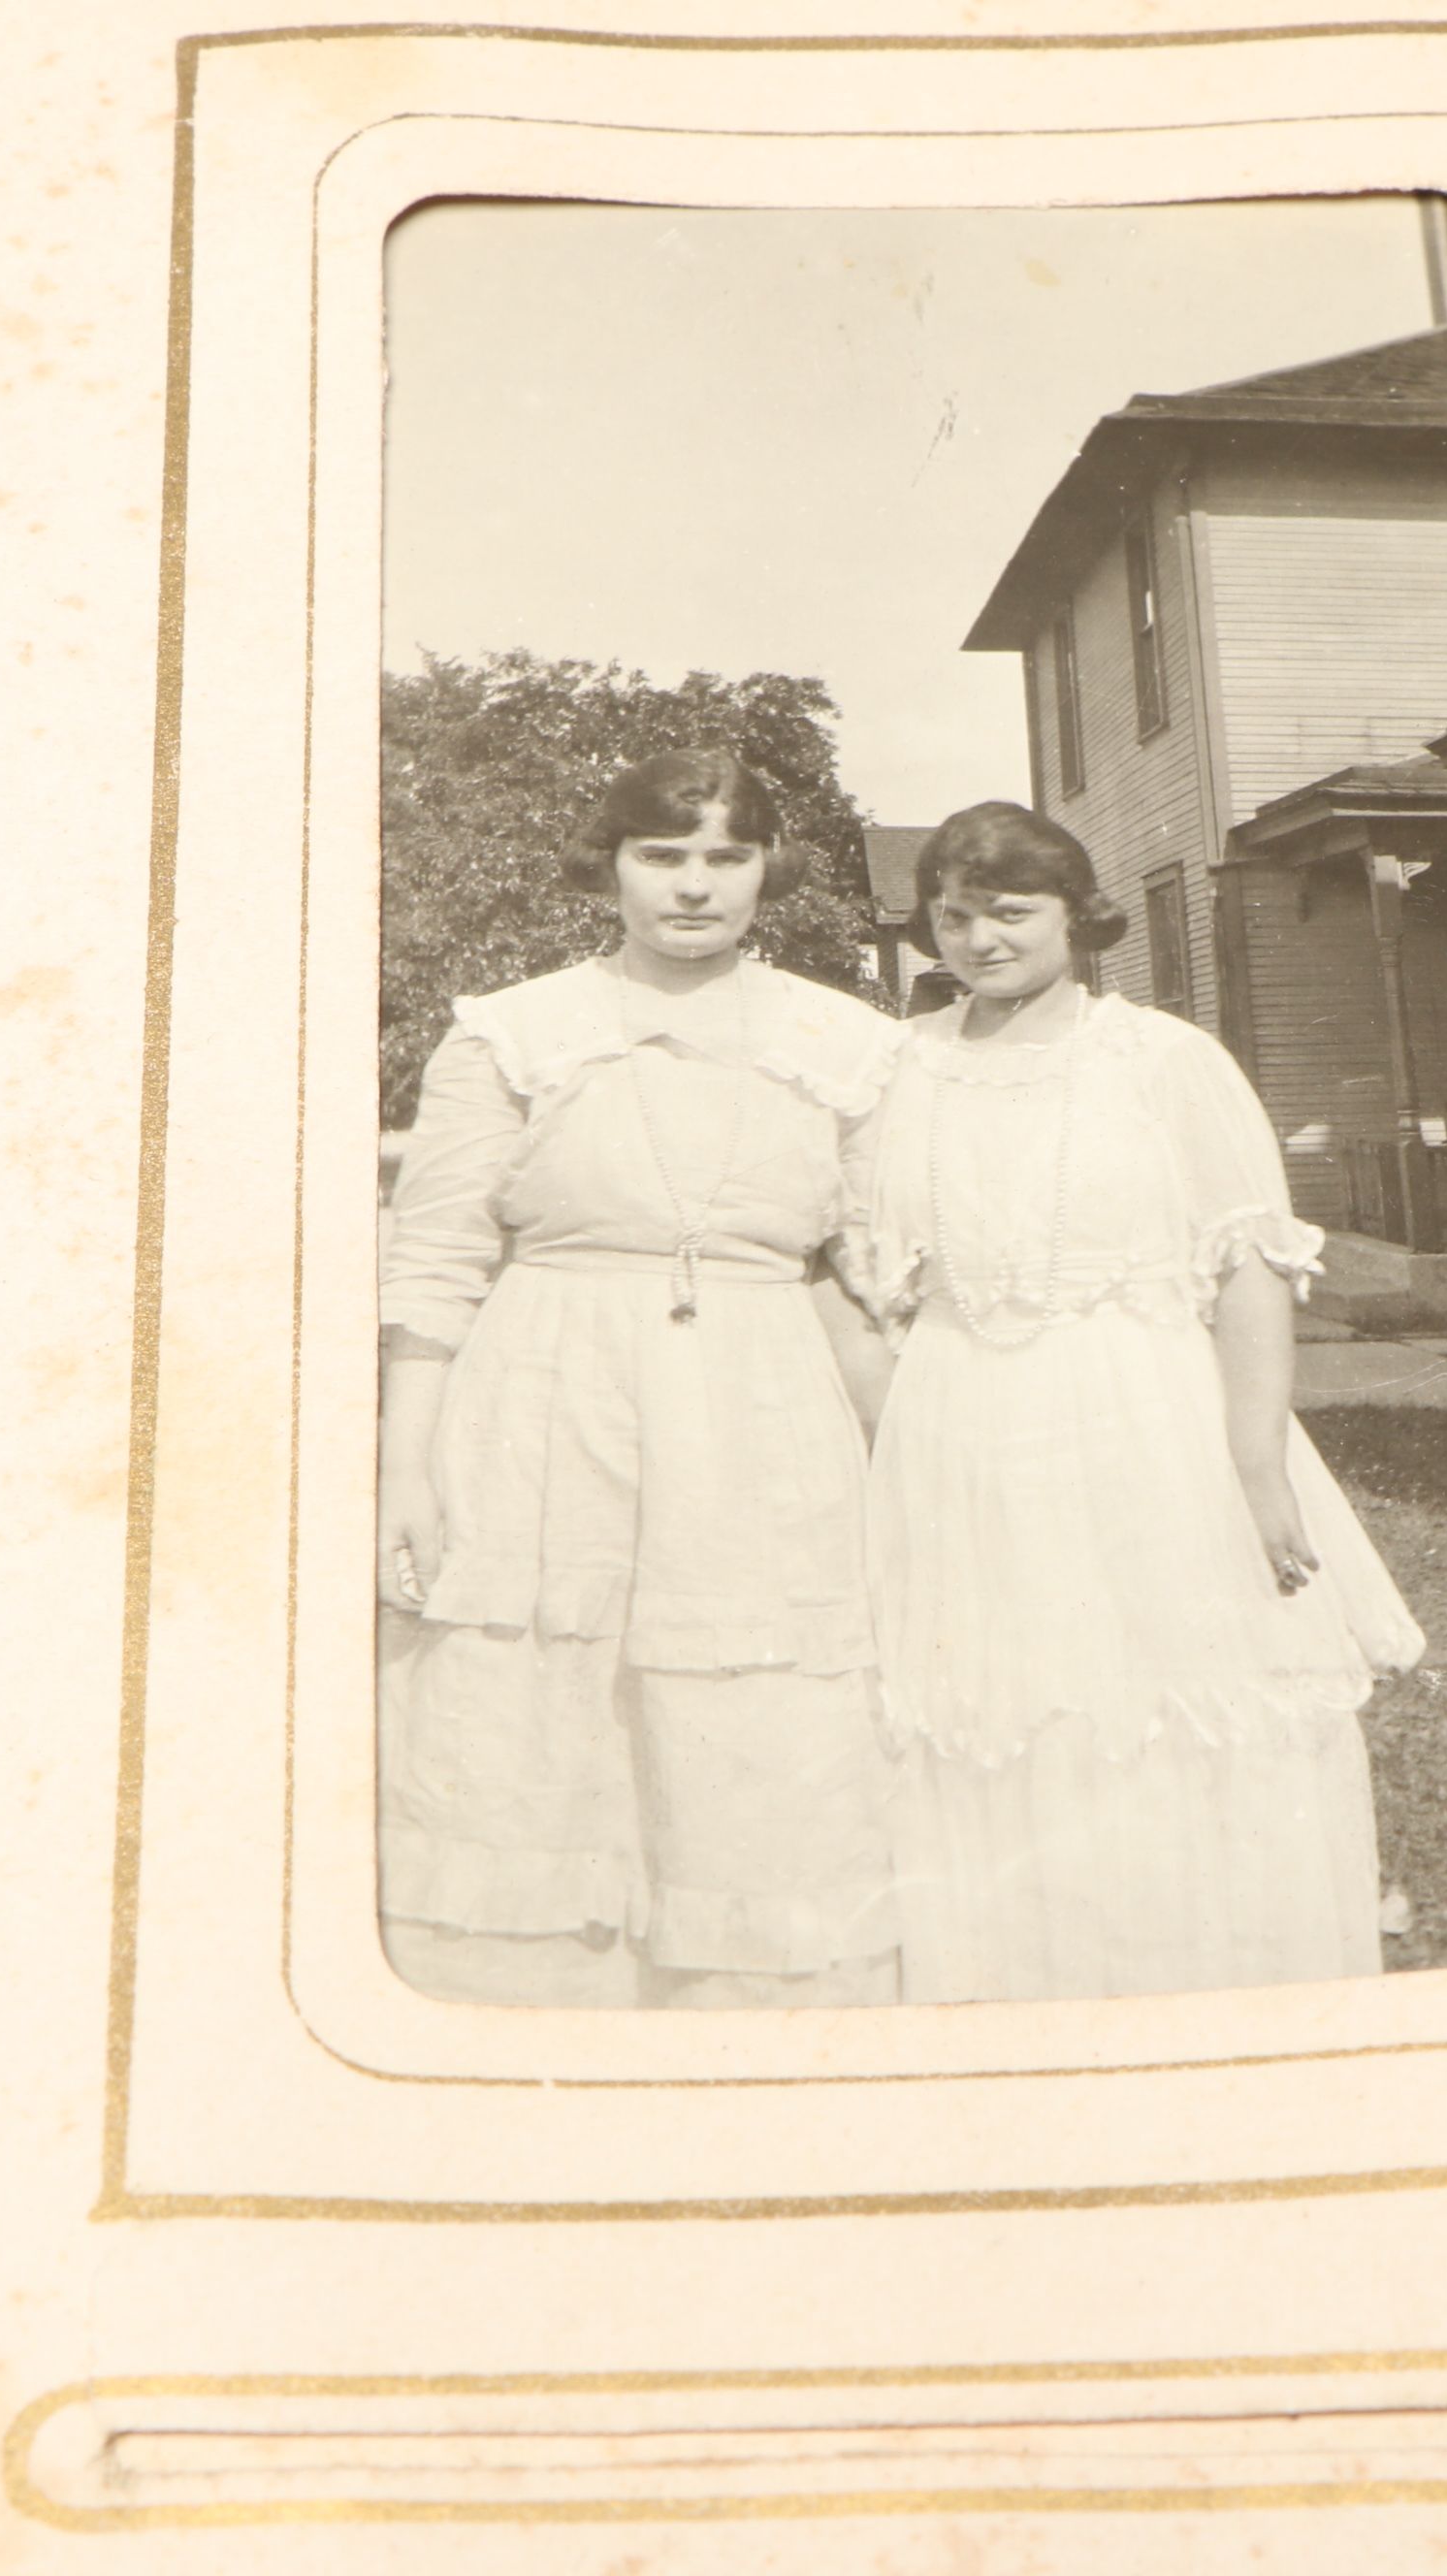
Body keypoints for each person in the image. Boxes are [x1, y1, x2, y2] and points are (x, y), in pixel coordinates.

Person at [847, 801, 1425, 2004]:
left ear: (1075, 914)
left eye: (1012, 913)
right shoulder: (903, 1070)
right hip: (962, 1423)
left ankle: (1195, 1982)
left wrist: (1255, 1464)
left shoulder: (1162, 1060)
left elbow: (1251, 1269)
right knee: (994, 1702)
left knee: (1166, 1698)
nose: (980, 940)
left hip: (1140, 1411)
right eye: (953, 917)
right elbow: (861, 1271)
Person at [375, 748, 900, 2010]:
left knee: (749, 1696)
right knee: (536, 1691)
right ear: (611, 866)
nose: (695, 888)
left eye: (727, 856)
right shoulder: (513, 1034)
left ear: (767, 868)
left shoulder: (849, 1045)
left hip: (765, 1397)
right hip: (547, 1391)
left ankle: (745, 2015)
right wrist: (403, 1467)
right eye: (663, 855)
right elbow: (437, 1263)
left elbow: (880, 1275)